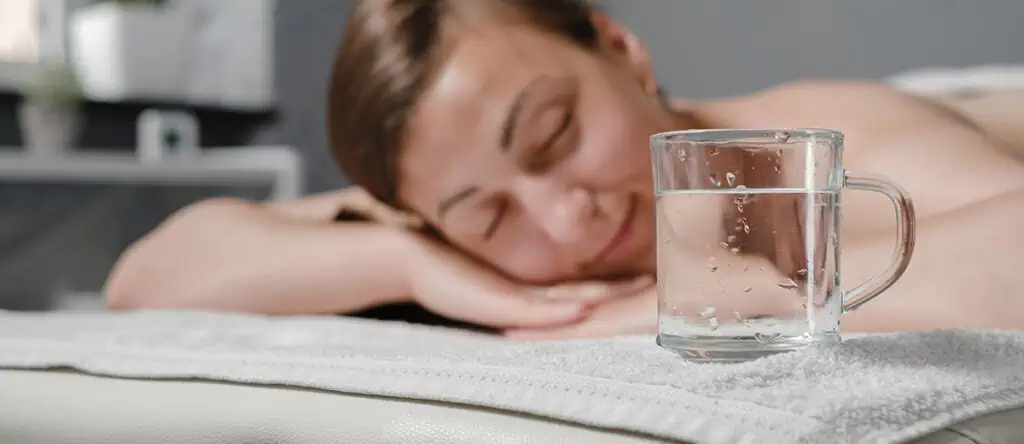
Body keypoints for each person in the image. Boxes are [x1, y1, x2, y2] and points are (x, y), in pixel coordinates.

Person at [104, 0, 1024, 339]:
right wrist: (410, 263)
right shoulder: (435, 223)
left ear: (622, 50)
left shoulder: (827, 139)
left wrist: (668, 299)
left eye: (552, 135)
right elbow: (148, 278)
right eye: (490, 218)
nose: (565, 219)